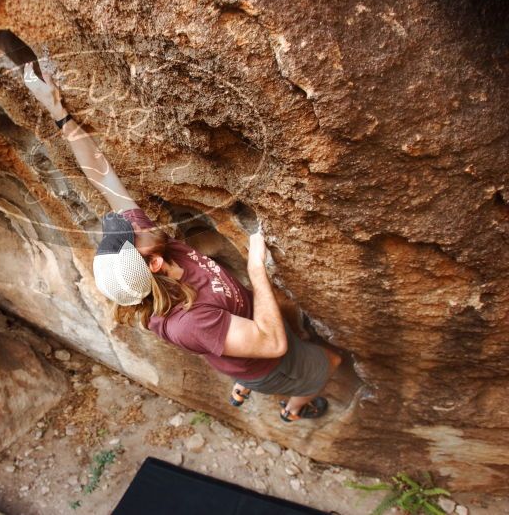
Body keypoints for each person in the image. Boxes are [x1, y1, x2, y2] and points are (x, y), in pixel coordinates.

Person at [23, 62, 342, 422]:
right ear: (154, 263)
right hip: (269, 363)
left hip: (235, 338)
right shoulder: (189, 322)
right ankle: (294, 408)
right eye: (131, 235)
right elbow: (272, 343)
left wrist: (58, 112)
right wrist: (256, 268)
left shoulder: (147, 266)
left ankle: (241, 380)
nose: (133, 220)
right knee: (330, 361)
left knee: (242, 342)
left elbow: (101, 177)